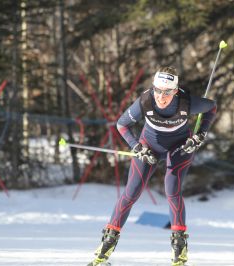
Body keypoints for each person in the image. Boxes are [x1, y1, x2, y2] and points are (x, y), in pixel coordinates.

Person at [87, 66, 217, 266]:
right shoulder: (145, 101)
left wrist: (200, 135)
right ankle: (106, 246)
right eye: (157, 90)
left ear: (175, 91)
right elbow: (121, 125)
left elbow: (211, 107)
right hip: (148, 147)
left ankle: (179, 250)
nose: (161, 96)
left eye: (166, 92)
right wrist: (137, 147)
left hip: (179, 148)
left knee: (172, 191)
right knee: (131, 193)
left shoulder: (187, 102)